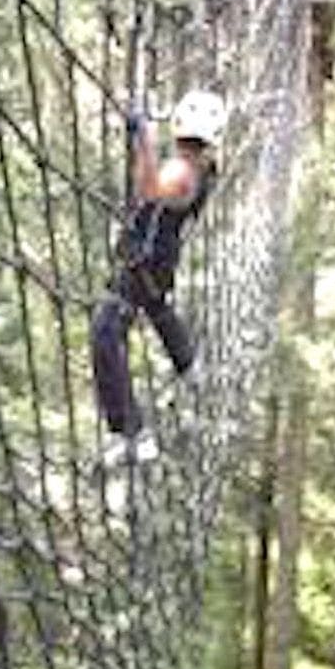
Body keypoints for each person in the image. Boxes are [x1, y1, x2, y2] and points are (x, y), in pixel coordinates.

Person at [92, 89, 227, 452]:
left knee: (106, 332)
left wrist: (143, 138)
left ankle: (131, 432)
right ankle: (188, 364)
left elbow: (151, 189)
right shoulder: (202, 168)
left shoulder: (182, 169)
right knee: (156, 306)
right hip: (158, 261)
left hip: (145, 262)